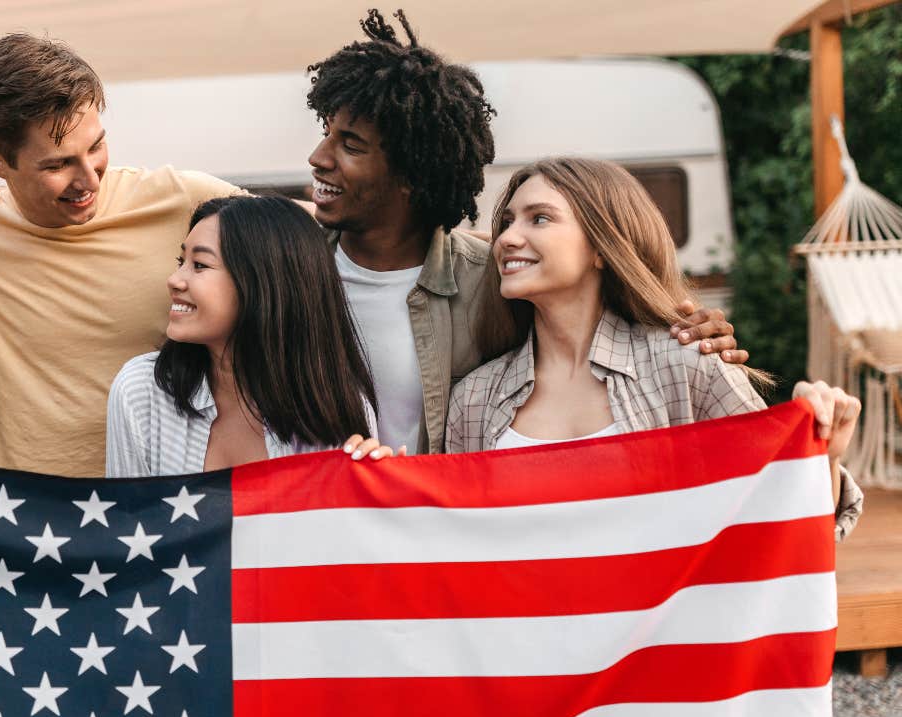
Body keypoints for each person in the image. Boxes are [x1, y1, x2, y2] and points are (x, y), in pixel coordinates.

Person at [0, 22, 742, 478]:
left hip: (361, 549)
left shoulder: (454, 279)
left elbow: (568, 345)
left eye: (97, 148)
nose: (88, 181)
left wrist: (669, 328)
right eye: (57, 164)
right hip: (67, 528)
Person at [306, 9, 745, 456]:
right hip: (318, 515)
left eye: (351, 145)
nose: (317, 157)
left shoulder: (485, 282)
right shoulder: (282, 263)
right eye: (508, 222)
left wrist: (687, 337)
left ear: (410, 176)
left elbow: (769, 471)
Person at [350, 157, 863, 536]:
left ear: (601, 247)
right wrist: (375, 487)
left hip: (653, 672)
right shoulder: (475, 399)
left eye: (539, 219)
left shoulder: (686, 364)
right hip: (526, 667)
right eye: (507, 222)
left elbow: (781, 520)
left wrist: (826, 458)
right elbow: (452, 546)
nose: (506, 238)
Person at [106, 196, 376, 476]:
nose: (174, 280)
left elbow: (341, 520)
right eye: (180, 261)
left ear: (262, 284)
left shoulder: (337, 406)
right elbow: (128, 517)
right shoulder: (141, 390)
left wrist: (379, 490)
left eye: (199, 264)